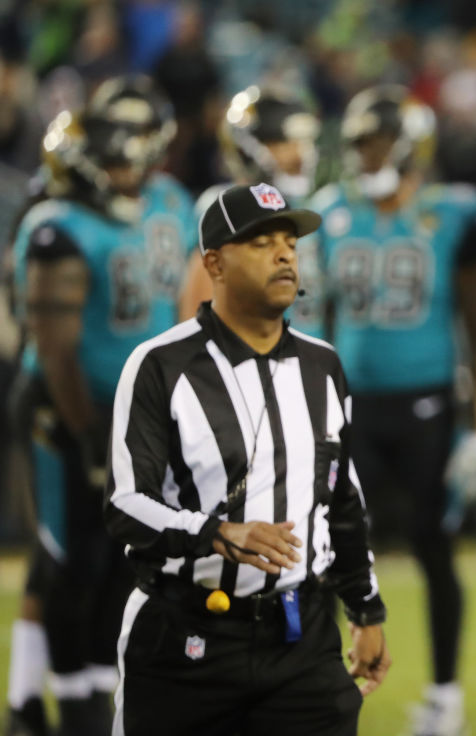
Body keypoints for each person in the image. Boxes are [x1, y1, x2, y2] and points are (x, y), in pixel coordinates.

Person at [104, 182, 390, 735]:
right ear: (214, 262)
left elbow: (341, 500)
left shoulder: (322, 366)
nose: (284, 253)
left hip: (301, 638)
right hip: (185, 639)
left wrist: (366, 610)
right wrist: (212, 532)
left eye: (290, 241)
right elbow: (124, 505)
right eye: (260, 242)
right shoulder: (159, 365)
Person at [310, 84, 476, 735]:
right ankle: (316, 689)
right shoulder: (328, 210)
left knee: (433, 546)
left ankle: (445, 698)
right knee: (327, 550)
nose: (365, 155)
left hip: (427, 402)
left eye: (377, 142)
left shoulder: (455, 214)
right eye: (359, 143)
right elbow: (323, 318)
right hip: (349, 405)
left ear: (409, 147)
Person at [6, 75, 192, 736]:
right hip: (72, 410)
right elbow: (55, 348)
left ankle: (101, 691)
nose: (131, 170)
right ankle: (64, 697)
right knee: (71, 557)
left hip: (144, 409)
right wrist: (87, 432)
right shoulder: (57, 225)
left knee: (128, 558)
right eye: (115, 160)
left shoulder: (169, 198)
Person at [179, 86, 326, 338]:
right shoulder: (223, 207)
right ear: (246, 147)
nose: (299, 154)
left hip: (302, 363)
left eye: (302, 142)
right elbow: (197, 311)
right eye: (283, 142)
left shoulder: (306, 209)